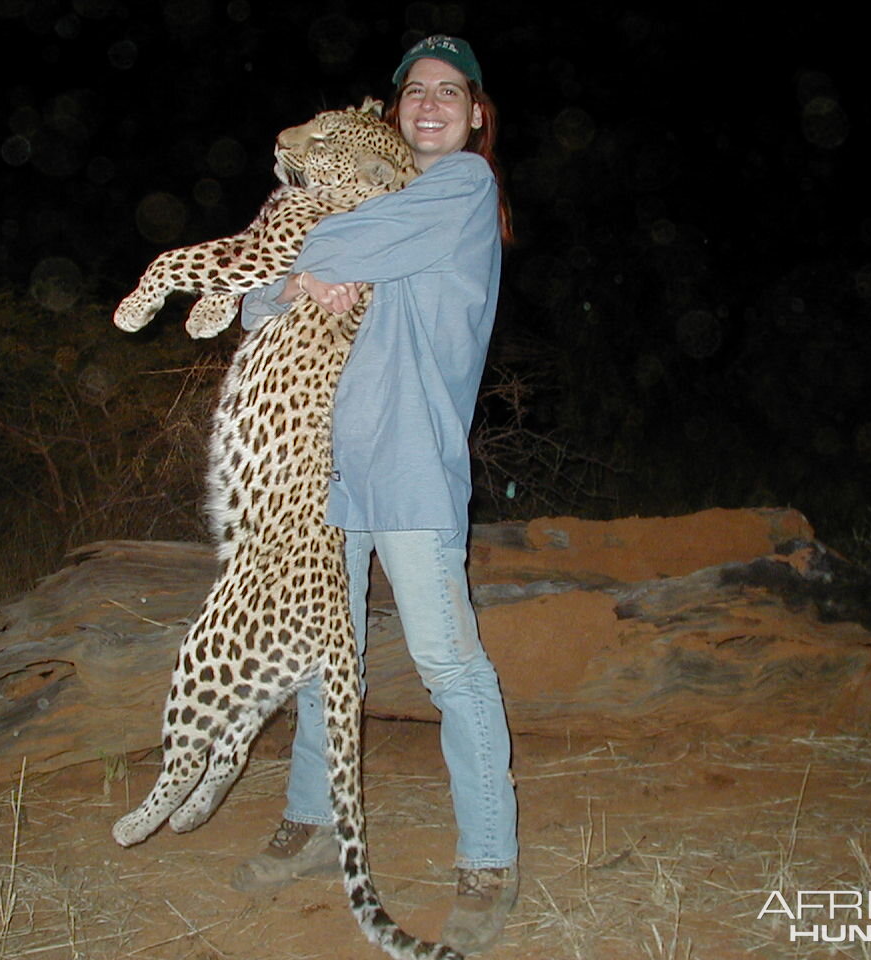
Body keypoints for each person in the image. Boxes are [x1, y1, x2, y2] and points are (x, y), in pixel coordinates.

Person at [232, 36, 518, 954]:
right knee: (325, 656)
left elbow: (289, 254)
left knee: (447, 664)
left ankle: (488, 858)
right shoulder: (372, 199)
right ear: (392, 113)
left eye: (449, 92)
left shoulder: (463, 189)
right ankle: (313, 823)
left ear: (476, 114)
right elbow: (250, 299)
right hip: (326, 465)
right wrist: (292, 267)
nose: (428, 103)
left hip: (407, 463)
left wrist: (297, 255)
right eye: (413, 92)